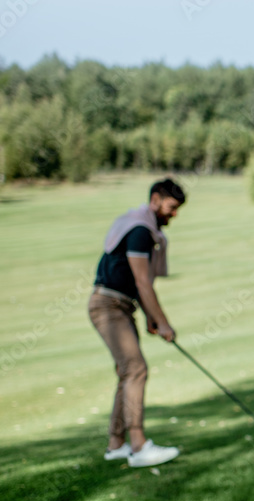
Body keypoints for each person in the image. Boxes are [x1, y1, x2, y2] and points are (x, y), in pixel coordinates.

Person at [89, 178, 185, 468]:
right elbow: (143, 283)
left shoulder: (142, 228)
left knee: (127, 371)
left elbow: (136, 283)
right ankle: (139, 446)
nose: (174, 214)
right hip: (109, 305)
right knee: (136, 369)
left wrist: (149, 318)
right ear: (155, 199)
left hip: (120, 305)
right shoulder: (141, 231)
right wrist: (163, 323)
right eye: (171, 207)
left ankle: (116, 444)